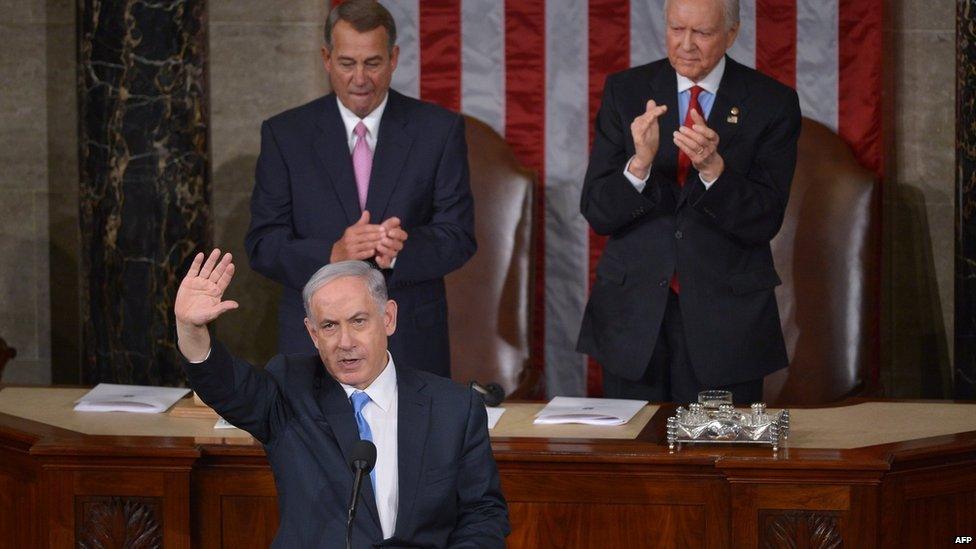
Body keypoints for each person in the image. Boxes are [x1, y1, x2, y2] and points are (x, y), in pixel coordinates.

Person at [176, 250, 508, 548]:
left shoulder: (452, 407)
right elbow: (229, 387)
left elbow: (482, 514)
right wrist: (191, 330)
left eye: (358, 321)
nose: (345, 342)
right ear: (312, 333)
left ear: (388, 318)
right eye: (330, 326)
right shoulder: (291, 389)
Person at [576, 0, 801, 405]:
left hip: (727, 324)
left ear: (731, 34)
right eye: (677, 30)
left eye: (702, 33)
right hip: (634, 319)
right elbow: (598, 210)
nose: (686, 44)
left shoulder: (772, 103)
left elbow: (766, 217)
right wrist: (639, 164)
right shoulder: (626, 91)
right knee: (634, 463)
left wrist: (715, 170)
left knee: (719, 462)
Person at [245, 0, 475, 377]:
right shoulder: (286, 135)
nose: (360, 79)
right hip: (312, 344)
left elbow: (459, 237)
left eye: (372, 63)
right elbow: (263, 244)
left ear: (394, 57)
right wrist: (333, 252)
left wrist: (400, 252)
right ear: (326, 58)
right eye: (347, 63)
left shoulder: (438, 131)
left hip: (410, 343)